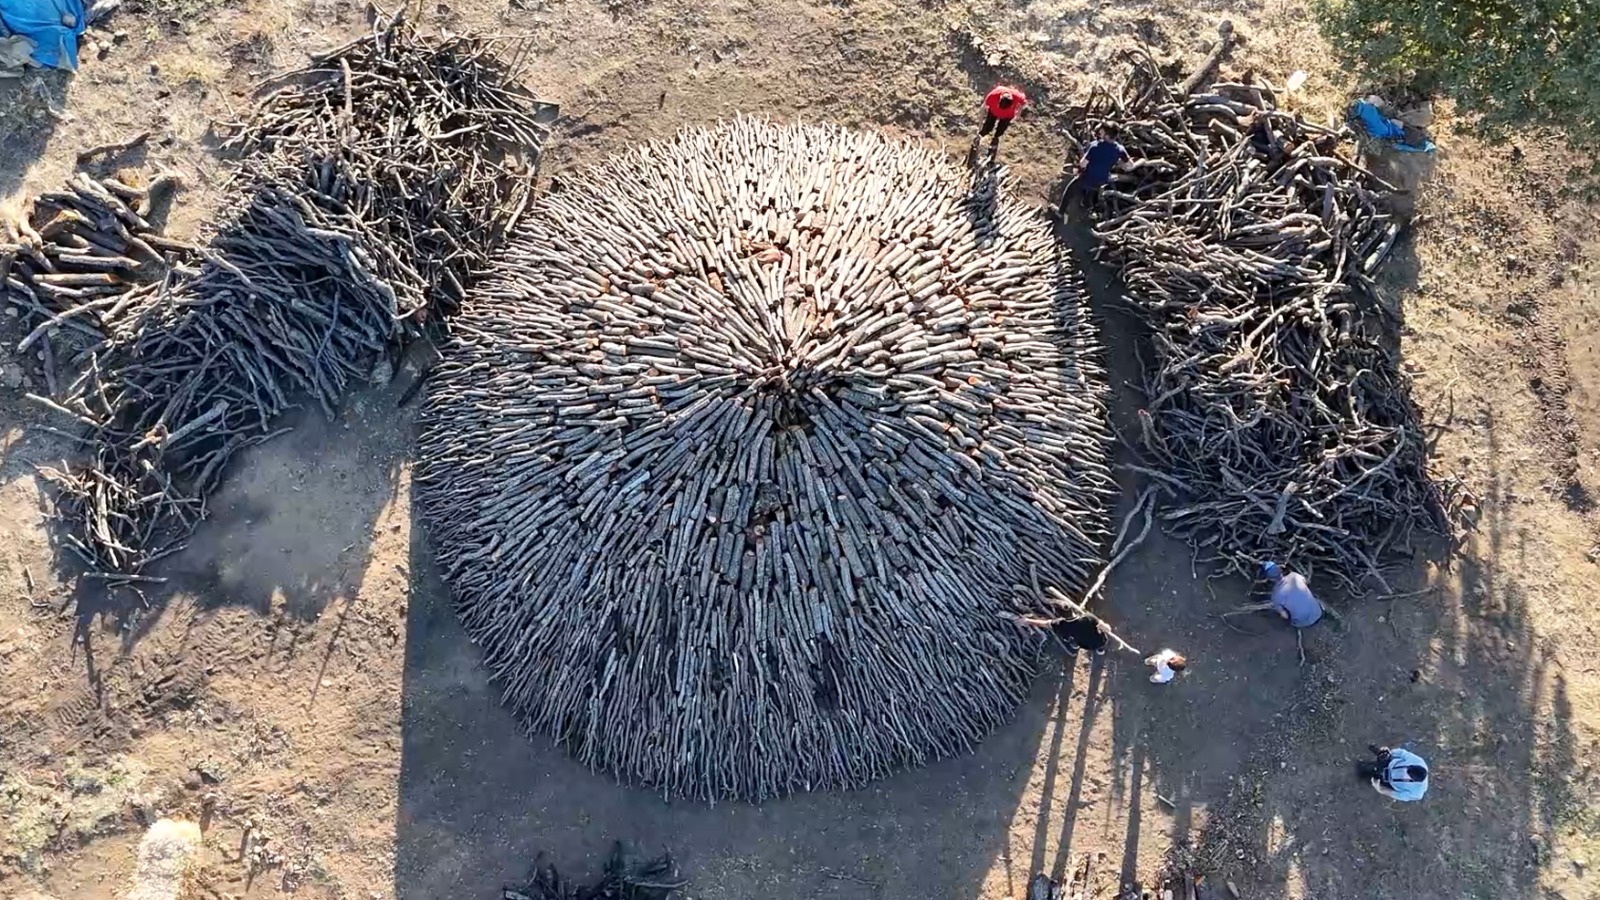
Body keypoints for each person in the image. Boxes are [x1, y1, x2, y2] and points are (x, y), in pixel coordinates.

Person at [1061, 124, 1129, 214]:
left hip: (1087, 177)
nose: (1100, 133)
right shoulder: (1120, 150)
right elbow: (1130, 166)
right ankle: (1086, 212)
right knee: (1090, 193)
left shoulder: (1095, 146)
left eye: (1103, 132)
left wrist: (1078, 169)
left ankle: (1060, 213)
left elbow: (1083, 164)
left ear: (1107, 136)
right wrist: (1119, 162)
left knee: (1070, 190)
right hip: (1102, 180)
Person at [973, 84, 1028, 161]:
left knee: (1000, 130)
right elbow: (983, 108)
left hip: (1007, 117)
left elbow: (1023, 102)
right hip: (993, 113)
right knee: (987, 128)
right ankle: (979, 137)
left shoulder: (1016, 95)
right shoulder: (993, 95)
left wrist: (1018, 114)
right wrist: (979, 126)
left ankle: (995, 140)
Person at [1358, 744, 1429, 802]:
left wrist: (1379, 788)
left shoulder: (1416, 793)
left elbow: (1393, 793)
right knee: (1368, 764)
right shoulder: (1418, 761)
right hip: (1389, 764)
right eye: (1409, 767)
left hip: (1389, 782)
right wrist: (1389, 752)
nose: (1406, 771)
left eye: (1408, 774)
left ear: (1414, 779)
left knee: (1363, 776)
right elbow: (1402, 753)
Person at [1262, 561, 1323, 627]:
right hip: (1318, 613)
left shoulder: (1275, 596)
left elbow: (1285, 616)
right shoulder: (1295, 576)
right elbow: (1305, 583)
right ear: (1280, 570)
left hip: (1304, 623)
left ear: (1270, 579)